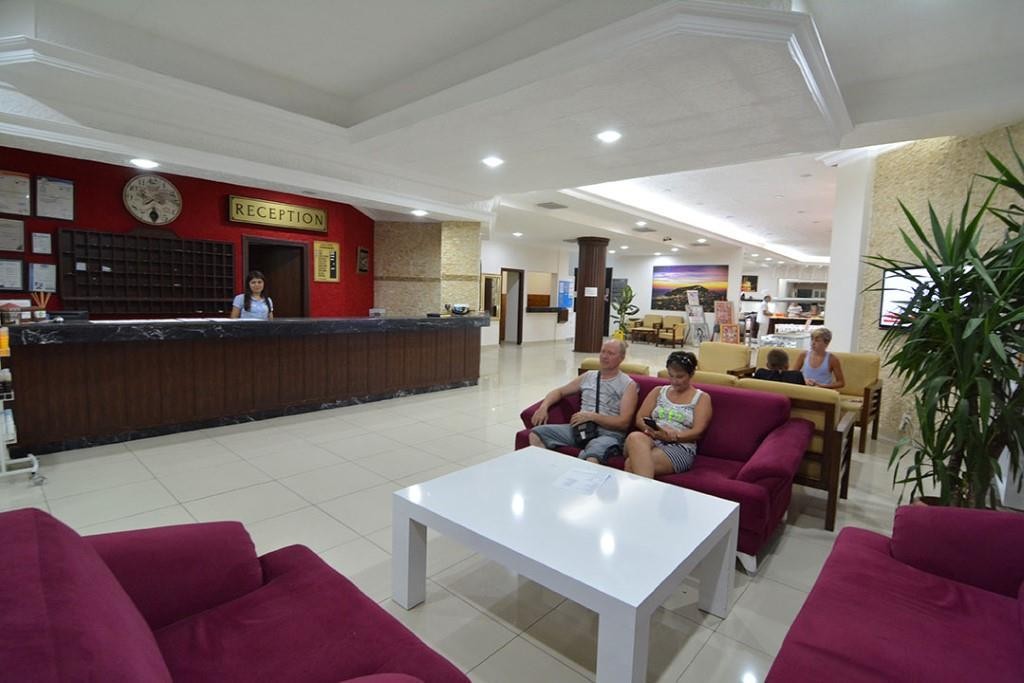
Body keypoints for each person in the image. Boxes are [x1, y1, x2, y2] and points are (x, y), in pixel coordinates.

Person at [528, 339, 638, 464]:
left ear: (621, 358)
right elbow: (559, 392)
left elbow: (623, 423)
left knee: (592, 457)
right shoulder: (588, 376)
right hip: (581, 429)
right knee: (536, 434)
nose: (604, 356)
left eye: (610, 353)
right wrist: (544, 407)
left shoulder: (628, 384)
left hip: (608, 434)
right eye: (603, 352)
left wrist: (592, 417)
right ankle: (546, 470)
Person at [624, 351, 712, 478]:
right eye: (671, 375)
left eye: (680, 377)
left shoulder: (701, 398)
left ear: (691, 374)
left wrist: (673, 436)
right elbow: (640, 418)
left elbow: (698, 432)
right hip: (651, 438)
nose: (674, 381)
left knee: (631, 464)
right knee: (634, 437)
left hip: (679, 446)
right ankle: (645, 489)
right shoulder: (658, 391)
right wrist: (653, 431)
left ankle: (643, 489)